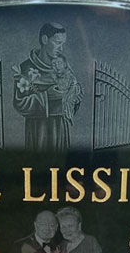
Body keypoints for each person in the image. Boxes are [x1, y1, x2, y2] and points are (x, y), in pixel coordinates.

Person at [13, 23, 83, 155]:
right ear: (45, 40)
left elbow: (72, 97)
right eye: (57, 43)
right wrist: (47, 97)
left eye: (63, 44)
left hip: (61, 127)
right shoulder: (26, 69)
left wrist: (75, 97)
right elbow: (19, 103)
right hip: (38, 128)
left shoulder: (65, 68)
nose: (61, 48)